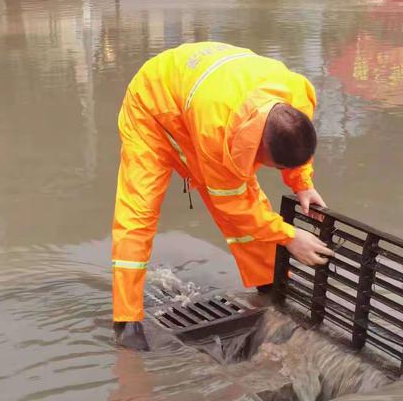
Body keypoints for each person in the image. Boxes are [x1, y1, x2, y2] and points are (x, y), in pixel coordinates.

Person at [112, 42, 333, 349]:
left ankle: (267, 282)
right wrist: (288, 236)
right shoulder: (217, 133)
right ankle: (125, 319)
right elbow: (234, 205)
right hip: (153, 107)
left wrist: (302, 183)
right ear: (259, 146)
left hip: (200, 96)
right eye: (276, 165)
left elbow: (295, 144)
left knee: (253, 207)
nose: (270, 169)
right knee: (138, 212)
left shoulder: (297, 98)